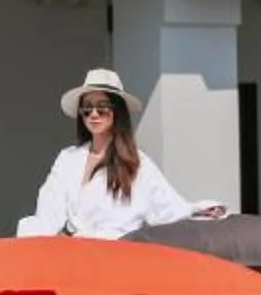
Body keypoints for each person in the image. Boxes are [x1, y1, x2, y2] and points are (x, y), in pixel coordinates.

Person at [15, 69, 226, 238]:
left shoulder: (136, 163)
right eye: (87, 108)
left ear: (117, 112)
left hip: (113, 259)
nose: (94, 114)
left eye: (102, 107)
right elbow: (48, 210)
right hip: (68, 255)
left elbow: (168, 208)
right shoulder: (68, 158)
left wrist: (198, 210)